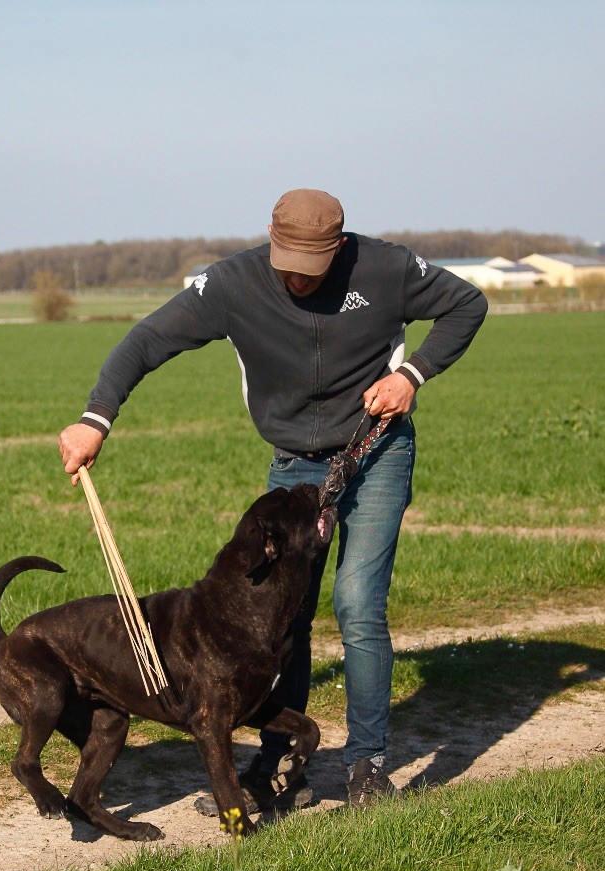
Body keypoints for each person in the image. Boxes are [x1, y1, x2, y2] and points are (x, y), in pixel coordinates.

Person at [58, 189, 487, 811]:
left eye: (310, 268)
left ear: (338, 247)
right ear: (270, 237)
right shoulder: (234, 283)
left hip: (376, 452)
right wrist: (97, 416)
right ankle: (279, 761)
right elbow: (149, 339)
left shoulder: (385, 269)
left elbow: (466, 305)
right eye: (285, 262)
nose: (294, 278)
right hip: (293, 466)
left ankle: (366, 764)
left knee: (357, 603)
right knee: (279, 618)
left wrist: (410, 374)